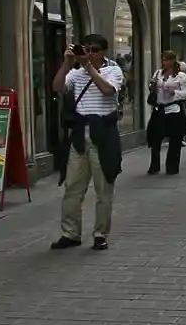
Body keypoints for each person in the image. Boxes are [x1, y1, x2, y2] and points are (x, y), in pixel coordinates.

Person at [51, 34, 124, 252]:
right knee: (72, 188)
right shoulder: (76, 73)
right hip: (80, 138)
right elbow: (57, 87)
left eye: (93, 50)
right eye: (86, 49)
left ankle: (100, 234)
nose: (89, 54)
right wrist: (66, 64)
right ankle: (70, 233)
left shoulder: (113, 70)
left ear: (103, 52)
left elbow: (108, 90)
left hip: (104, 137)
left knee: (104, 190)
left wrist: (89, 67)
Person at [146, 51, 186, 175]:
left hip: (173, 109)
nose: (164, 62)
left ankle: (172, 166)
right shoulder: (158, 73)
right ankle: (154, 165)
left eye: (166, 60)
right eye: (163, 60)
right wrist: (153, 86)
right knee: (155, 137)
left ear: (172, 61)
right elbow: (153, 87)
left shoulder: (180, 76)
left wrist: (173, 92)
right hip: (159, 109)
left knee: (175, 139)